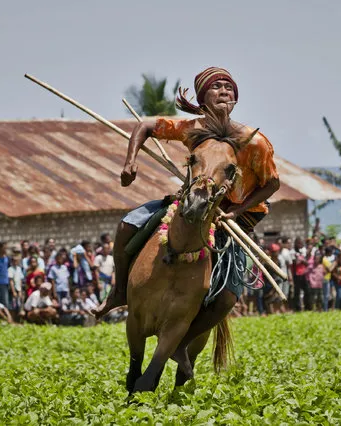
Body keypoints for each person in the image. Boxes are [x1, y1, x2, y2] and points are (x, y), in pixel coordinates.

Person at [94, 65, 281, 345]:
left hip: (233, 218)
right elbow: (145, 126)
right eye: (216, 87)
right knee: (128, 224)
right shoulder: (192, 129)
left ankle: (183, 342)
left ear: (235, 99)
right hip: (192, 203)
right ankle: (120, 290)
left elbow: (272, 184)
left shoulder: (253, 142)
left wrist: (237, 210)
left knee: (228, 298)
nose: (224, 91)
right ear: (202, 99)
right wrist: (130, 162)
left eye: (228, 87)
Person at [8, 254, 25, 322]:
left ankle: (19, 320)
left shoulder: (19, 269)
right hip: (13, 290)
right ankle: (13, 320)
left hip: (18, 289)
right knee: (13, 306)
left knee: (19, 305)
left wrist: (20, 290)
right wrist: (13, 291)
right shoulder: (10, 269)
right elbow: (11, 281)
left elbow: (20, 280)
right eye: (14, 261)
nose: (15, 262)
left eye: (16, 261)